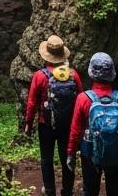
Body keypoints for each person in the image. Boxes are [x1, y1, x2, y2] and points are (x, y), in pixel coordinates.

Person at [67, 52, 118, 196]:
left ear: (92, 72)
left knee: (90, 190)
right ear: (112, 73)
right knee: (116, 191)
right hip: (117, 152)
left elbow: (75, 130)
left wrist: (71, 152)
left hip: (90, 152)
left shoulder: (83, 99)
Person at [25, 35, 86, 196]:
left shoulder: (40, 76)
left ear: (47, 55)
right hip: (67, 125)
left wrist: (28, 123)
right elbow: (81, 99)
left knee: (46, 159)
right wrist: (81, 125)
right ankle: (67, 191)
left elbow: (32, 103)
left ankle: (50, 190)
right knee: (67, 157)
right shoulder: (73, 75)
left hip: (46, 124)